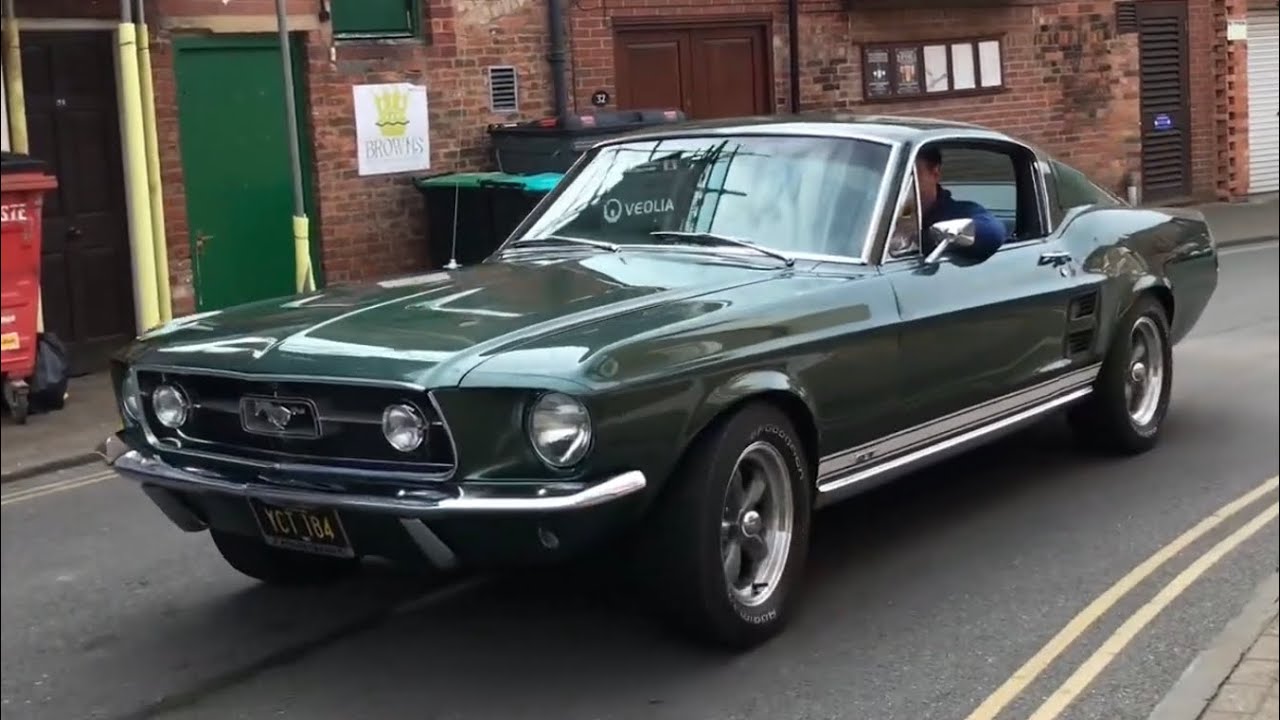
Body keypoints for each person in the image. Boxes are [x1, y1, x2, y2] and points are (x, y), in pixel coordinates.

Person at [915, 146, 1006, 261]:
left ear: (935, 174)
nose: (900, 187)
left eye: (911, 176)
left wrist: (932, 236)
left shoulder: (956, 212)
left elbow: (993, 231)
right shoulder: (886, 213)